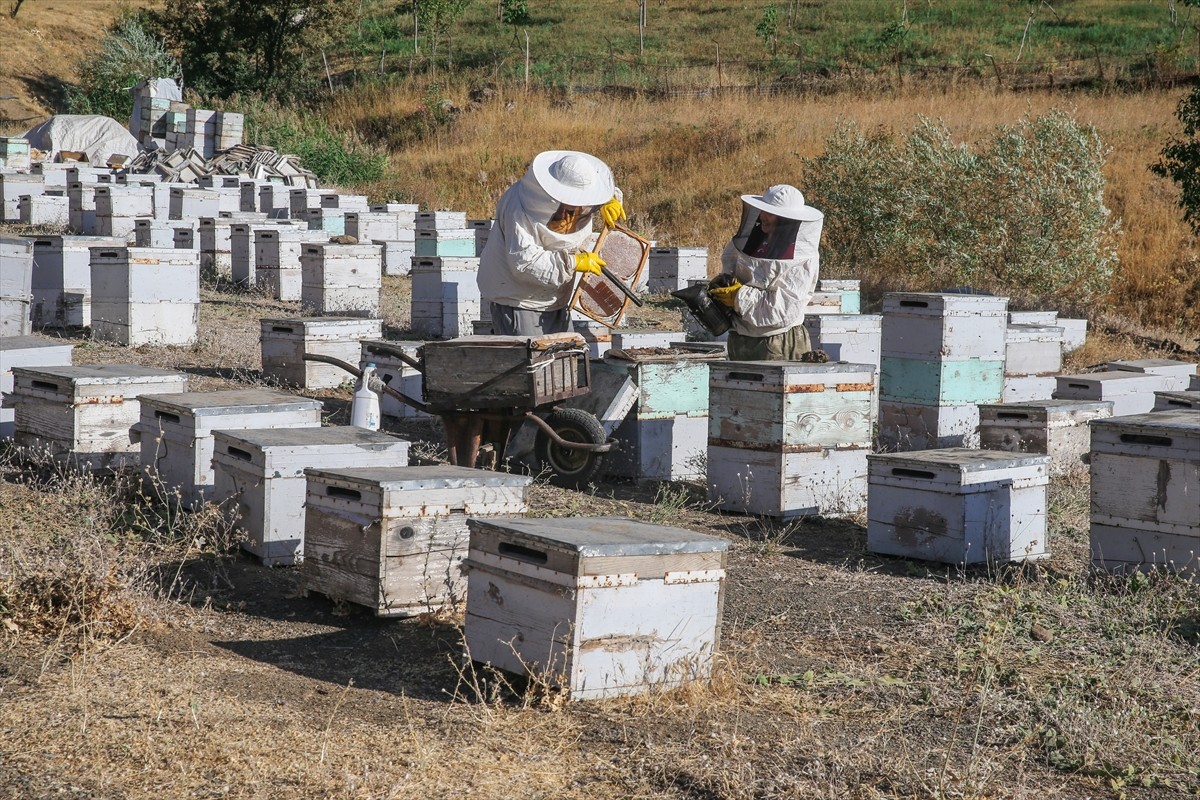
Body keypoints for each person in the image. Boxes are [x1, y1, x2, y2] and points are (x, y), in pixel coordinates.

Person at [478, 150, 626, 336]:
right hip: (519, 301)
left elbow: (586, 198)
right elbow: (525, 262)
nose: (572, 213)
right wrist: (573, 262)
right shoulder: (519, 208)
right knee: (530, 362)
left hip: (557, 299)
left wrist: (608, 200)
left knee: (563, 359)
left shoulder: (569, 203)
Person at [709, 184, 823, 361]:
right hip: (741, 337)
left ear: (786, 219)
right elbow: (731, 268)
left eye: (770, 213)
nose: (762, 216)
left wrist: (738, 296)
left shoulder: (800, 257)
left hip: (778, 341)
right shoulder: (751, 242)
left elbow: (783, 310)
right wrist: (722, 286)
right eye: (763, 210)